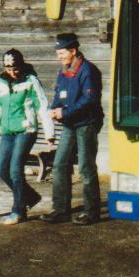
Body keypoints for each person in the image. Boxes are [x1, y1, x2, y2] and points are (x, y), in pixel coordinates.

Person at [40, 33, 104, 226]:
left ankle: (91, 212)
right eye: (57, 53)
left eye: (61, 53)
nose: (59, 57)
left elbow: (89, 99)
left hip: (86, 124)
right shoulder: (64, 70)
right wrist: (54, 109)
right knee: (59, 164)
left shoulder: (88, 70)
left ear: (73, 51)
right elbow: (59, 93)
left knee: (85, 167)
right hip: (70, 123)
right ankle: (61, 210)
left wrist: (65, 112)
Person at [0, 49, 54, 225]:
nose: (12, 72)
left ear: (21, 65)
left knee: (15, 169)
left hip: (26, 131)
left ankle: (19, 210)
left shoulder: (31, 81)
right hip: (7, 132)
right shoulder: (1, 83)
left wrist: (49, 133)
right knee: (1, 169)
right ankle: (30, 196)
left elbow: (42, 106)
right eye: (8, 68)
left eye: (15, 68)